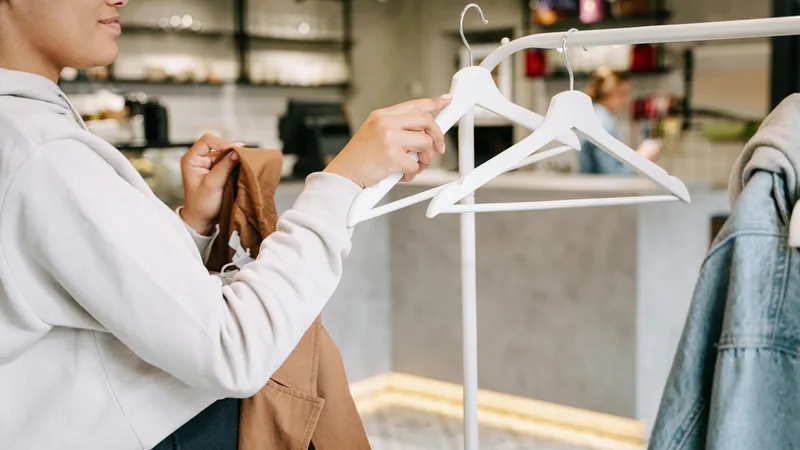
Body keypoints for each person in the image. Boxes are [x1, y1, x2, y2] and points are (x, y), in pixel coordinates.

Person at [0, 1, 450, 449]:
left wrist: (192, 225)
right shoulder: (43, 149)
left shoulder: (30, 131)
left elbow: (82, 290)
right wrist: (340, 182)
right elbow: (231, 350)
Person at [579, 67, 660, 175]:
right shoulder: (604, 124)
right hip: (600, 191)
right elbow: (613, 175)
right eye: (623, 93)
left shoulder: (592, 116)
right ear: (609, 92)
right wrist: (642, 159)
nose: (626, 101)